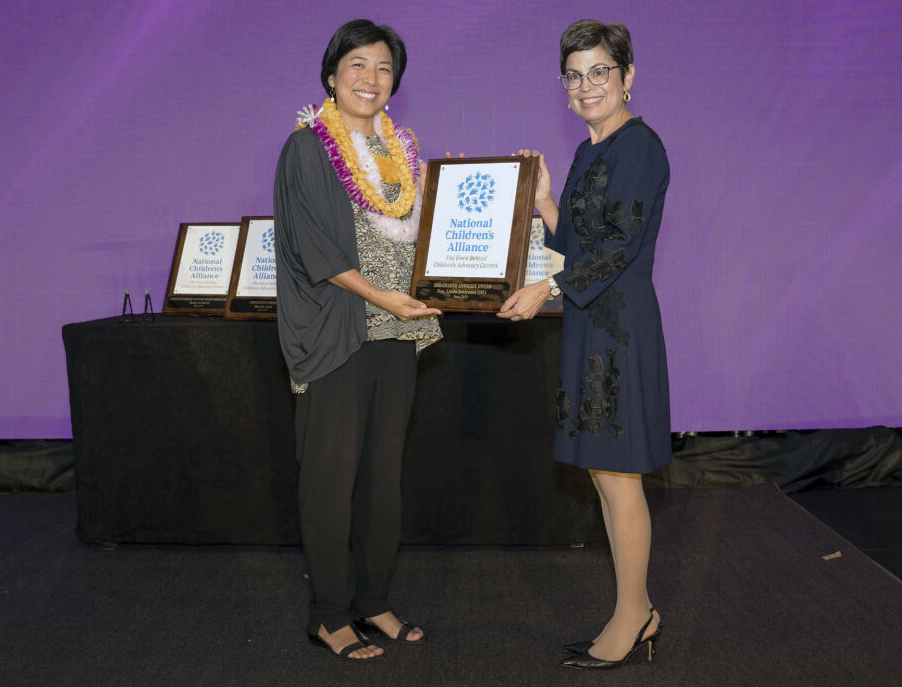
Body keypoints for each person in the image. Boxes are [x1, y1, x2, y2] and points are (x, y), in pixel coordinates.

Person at [498, 19, 670, 669]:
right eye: (574, 75)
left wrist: (545, 288)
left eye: (600, 70)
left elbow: (619, 248)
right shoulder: (587, 152)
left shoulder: (640, 146)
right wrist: (546, 202)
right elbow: (575, 245)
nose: (586, 85)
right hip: (589, 324)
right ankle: (638, 609)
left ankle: (633, 617)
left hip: (620, 329)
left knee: (619, 478)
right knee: (604, 475)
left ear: (628, 76)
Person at [273, 19, 442, 662]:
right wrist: (381, 297)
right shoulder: (307, 148)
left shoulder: (404, 151)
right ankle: (329, 614)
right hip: (339, 333)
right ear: (331, 76)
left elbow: (425, 233)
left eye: (384, 68)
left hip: (399, 332)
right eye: (358, 65)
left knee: (381, 479)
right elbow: (315, 248)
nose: (371, 78)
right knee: (330, 477)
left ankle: (373, 600)